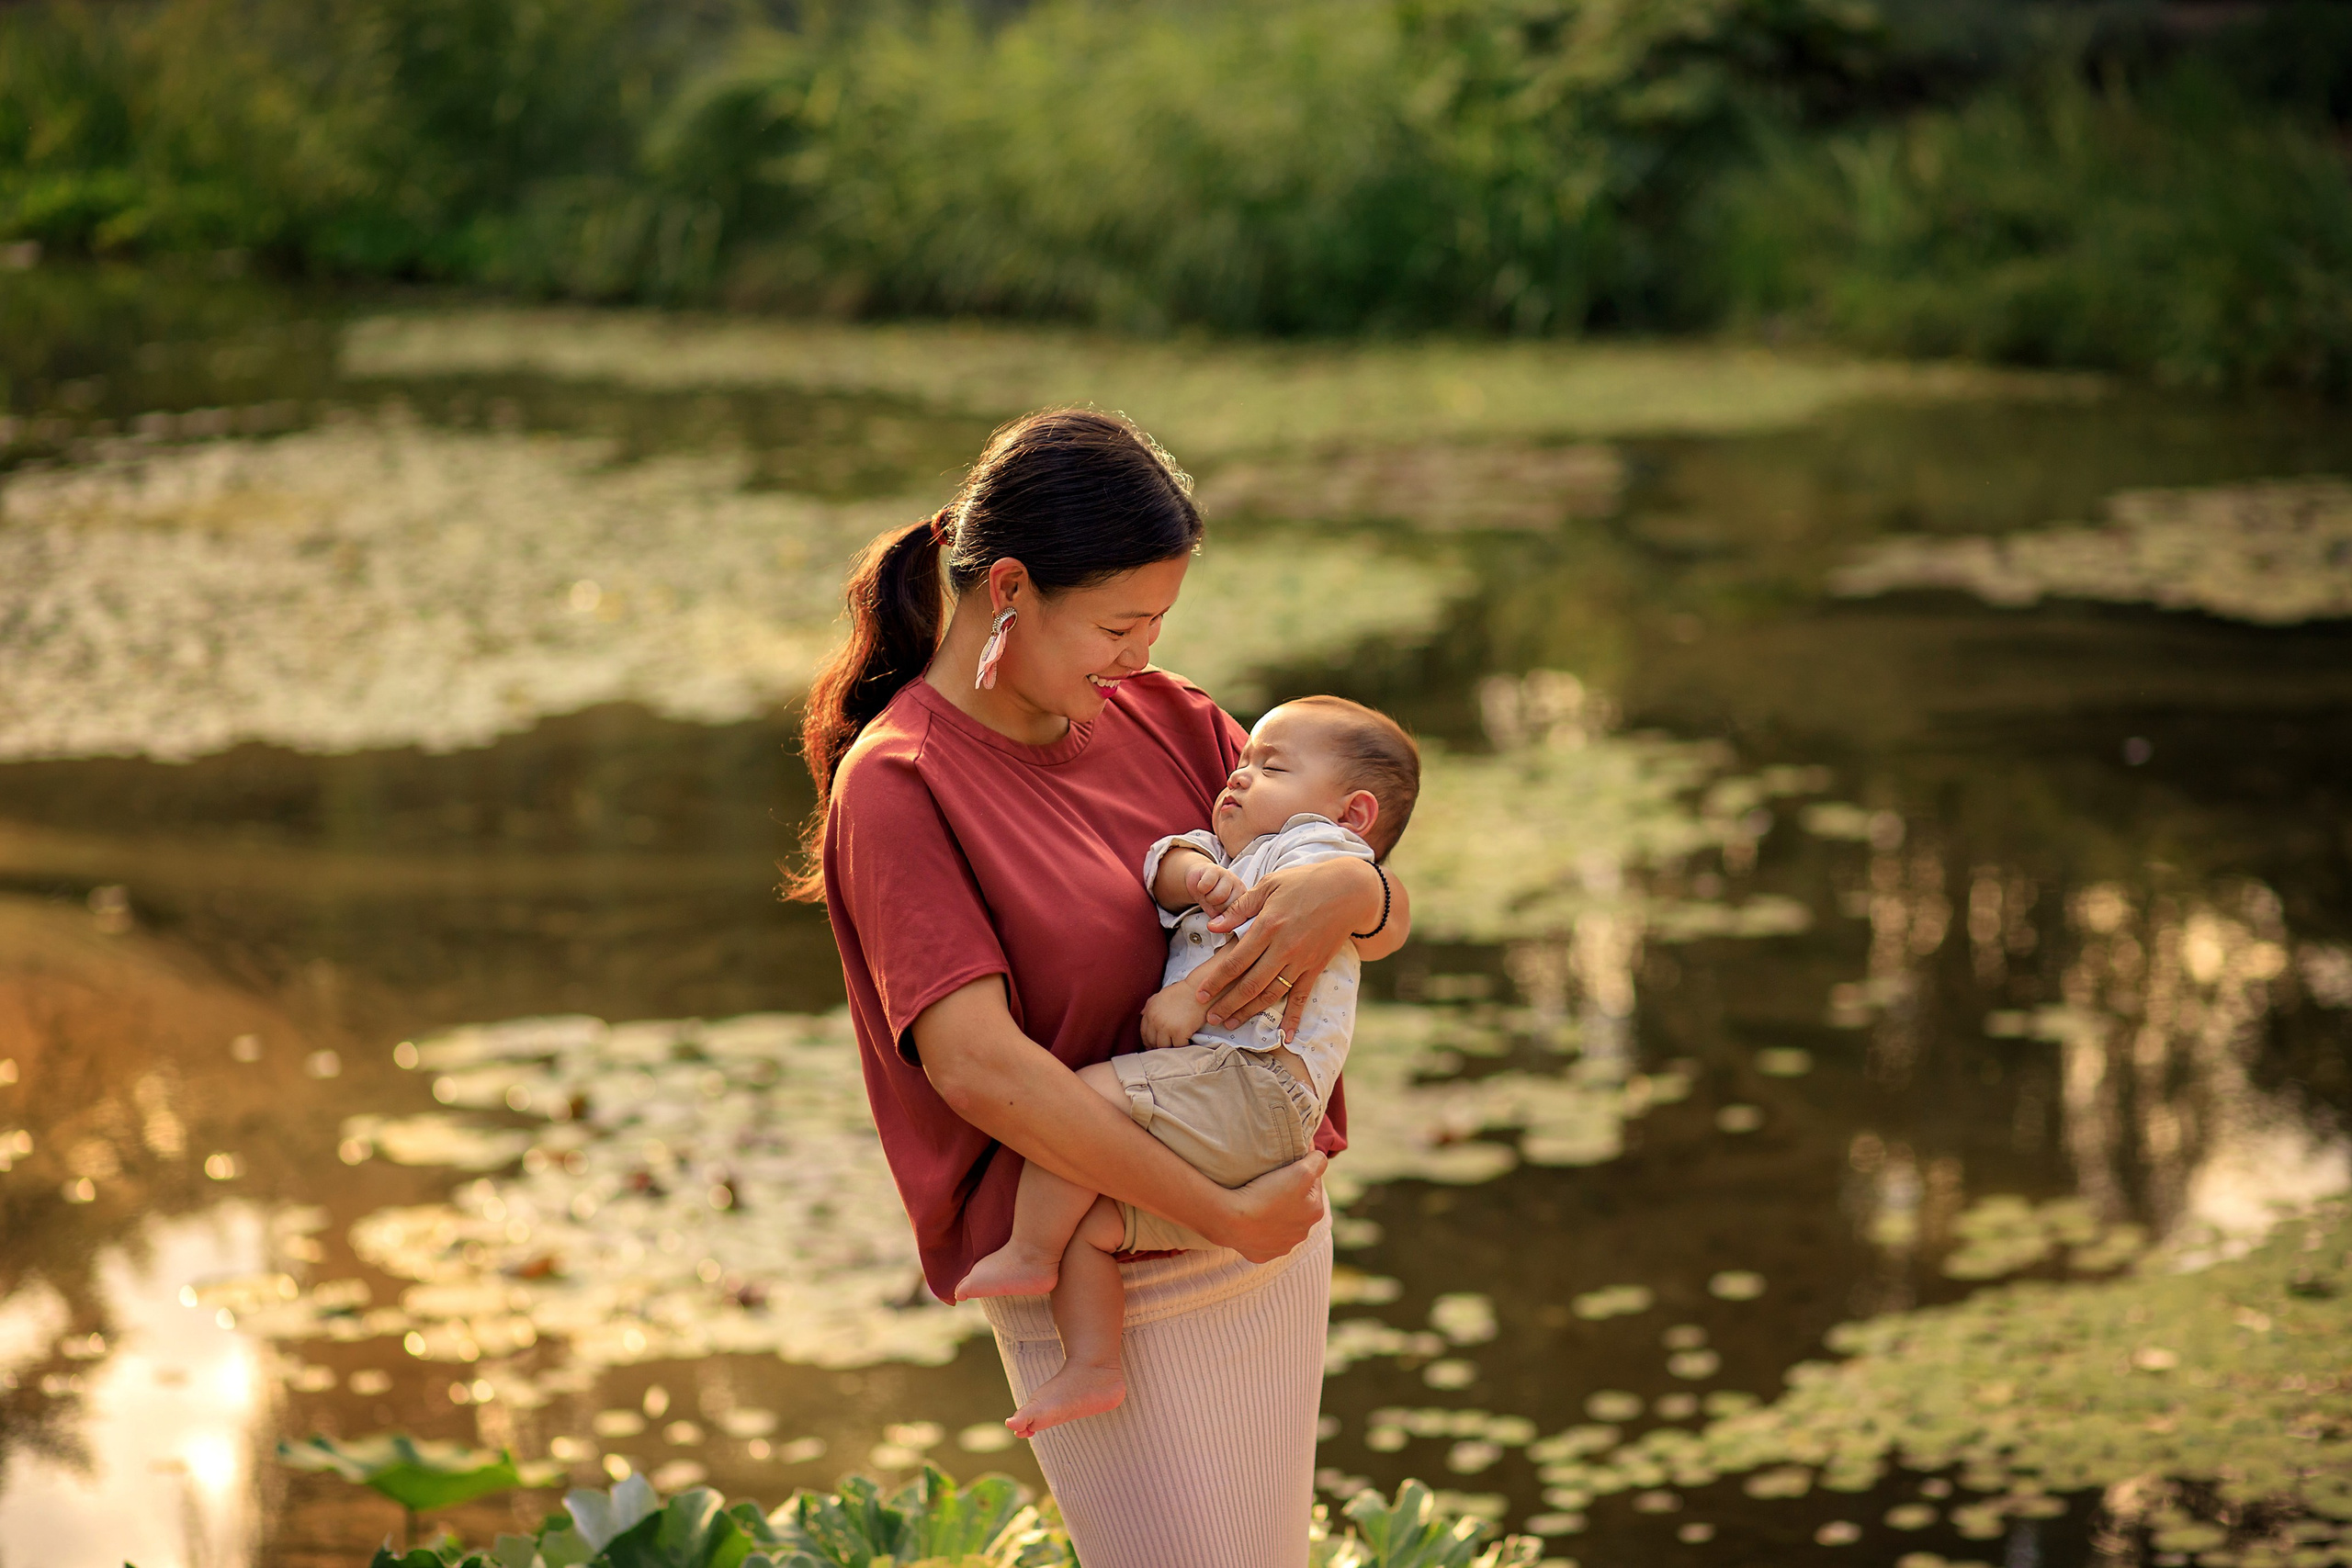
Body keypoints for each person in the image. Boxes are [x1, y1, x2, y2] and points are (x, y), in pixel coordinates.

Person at [792, 407, 1411, 1568]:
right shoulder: (900, 783)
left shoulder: (1167, 718)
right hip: (1102, 1266)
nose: (1138, 657)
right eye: (1118, 625)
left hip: (1261, 1237)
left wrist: (1358, 898)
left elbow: (1350, 888)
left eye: (1156, 625)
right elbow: (978, 1068)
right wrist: (1219, 1211)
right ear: (1011, 588)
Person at [956, 696, 1420, 1440]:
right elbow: (1165, 867)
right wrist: (1191, 870)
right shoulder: (1239, 852)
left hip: (1253, 1081)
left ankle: (1028, 1251)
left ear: (1353, 812)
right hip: (1235, 1113)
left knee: (1079, 1102)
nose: (1237, 775)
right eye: (1239, 761)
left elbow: (1270, 951)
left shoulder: (1312, 847)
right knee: (1096, 1229)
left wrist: (1188, 993)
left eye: (1269, 766)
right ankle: (1094, 1364)